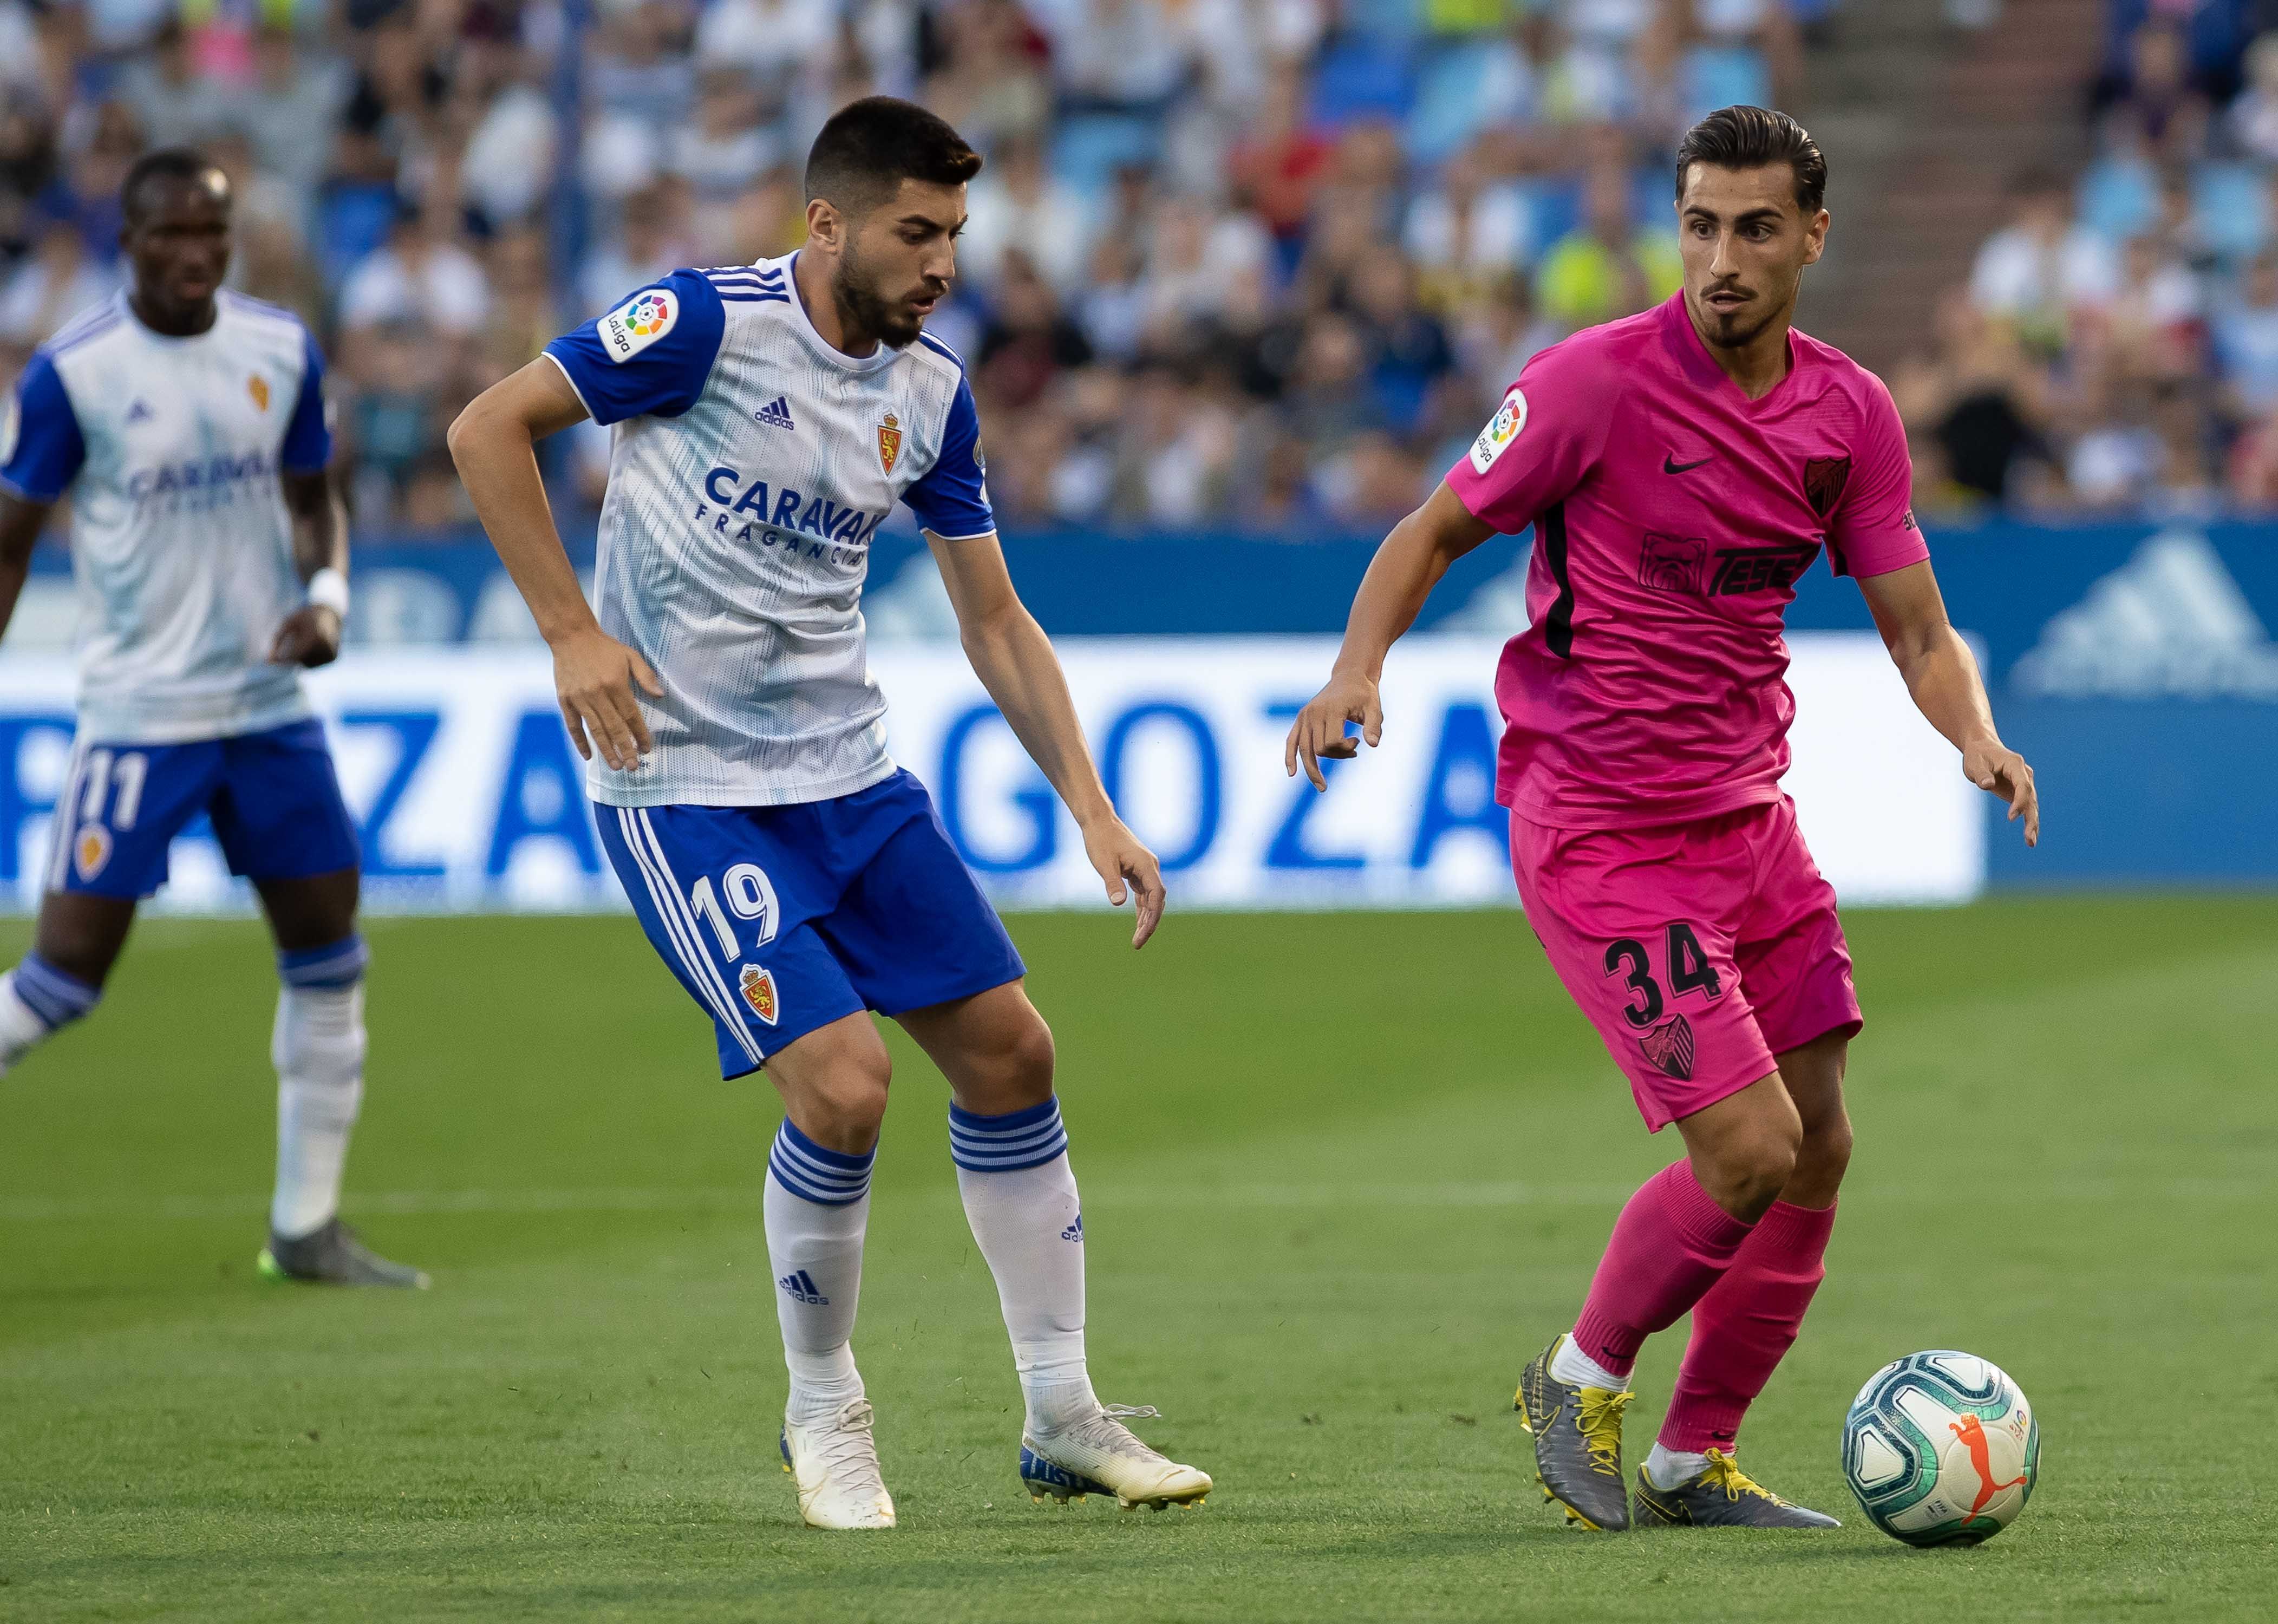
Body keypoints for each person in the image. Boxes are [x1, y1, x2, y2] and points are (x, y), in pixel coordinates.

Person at [446, 95, 1211, 1532]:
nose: (939, 264)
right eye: (915, 234)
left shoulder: (931, 392)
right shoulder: (698, 326)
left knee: (1011, 1055)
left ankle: (1061, 1414)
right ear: (828, 223)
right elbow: (489, 429)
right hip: (686, 791)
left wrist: (1092, 809)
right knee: (846, 1087)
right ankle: (824, 1412)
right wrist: (566, 631)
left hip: (849, 781)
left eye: (954, 238)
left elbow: (992, 620)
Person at [1282, 105, 2040, 1532]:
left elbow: (1917, 629)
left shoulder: (1848, 414)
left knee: (1819, 1142)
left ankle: (1695, 1458)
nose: (1720, 260)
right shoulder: (1590, 385)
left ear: (1812, 236)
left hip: (1749, 820)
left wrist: (1975, 736)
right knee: (1746, 1151)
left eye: (1755, 229)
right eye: (1697, 226)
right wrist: (1353, 670)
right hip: (1599, 829)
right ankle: (1577, 1378)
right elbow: (1431, 530)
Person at [0, 150, 418, 1288]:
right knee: (59, 982)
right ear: (126, 241)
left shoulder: (277, 348)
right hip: (141, 712)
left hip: (269, 710)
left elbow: (311, 499)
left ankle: (306, 1229)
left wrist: (325, 599)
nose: (194, 256)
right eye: (171, 236)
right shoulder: (74, 374)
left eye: (213, 238)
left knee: (330, 959)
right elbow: (11, 539)